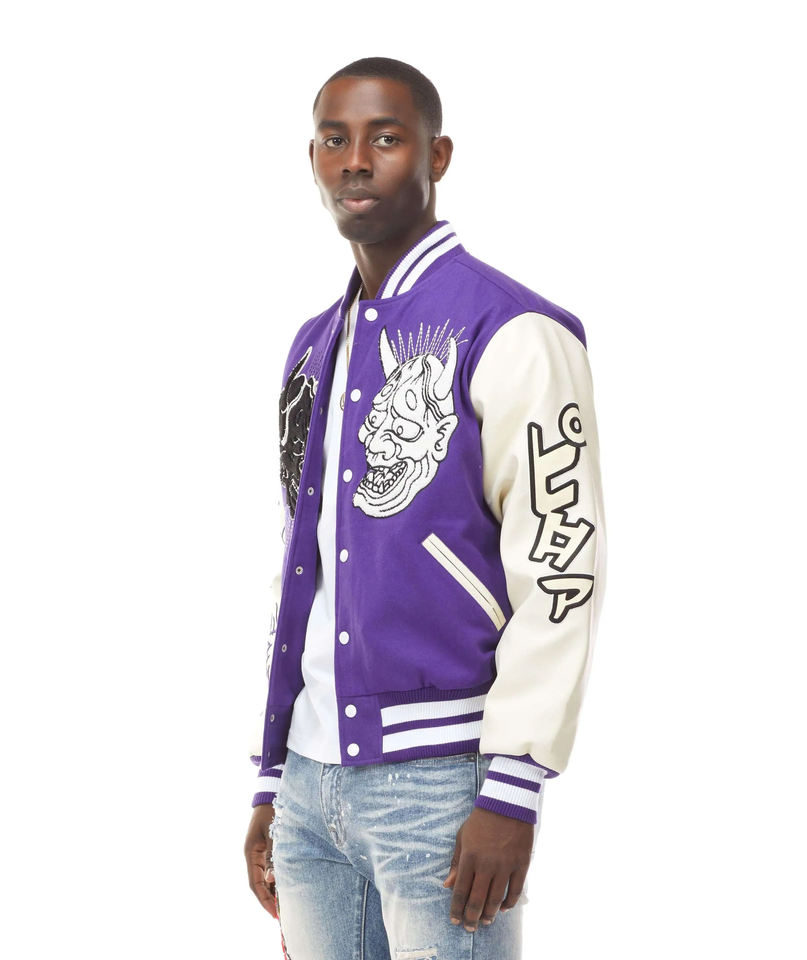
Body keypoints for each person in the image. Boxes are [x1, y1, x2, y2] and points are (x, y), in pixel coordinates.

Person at [243, 56, 606, 960]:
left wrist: (513, 789)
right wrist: (272, 778)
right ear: (313, 159)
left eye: (386, 138)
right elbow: (302, 564)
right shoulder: (313, 347)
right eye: (335, 139)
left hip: (442, 786)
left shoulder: (512, 329)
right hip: (310, 788)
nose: (356, 161)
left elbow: (561, 567)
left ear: (437, 156)